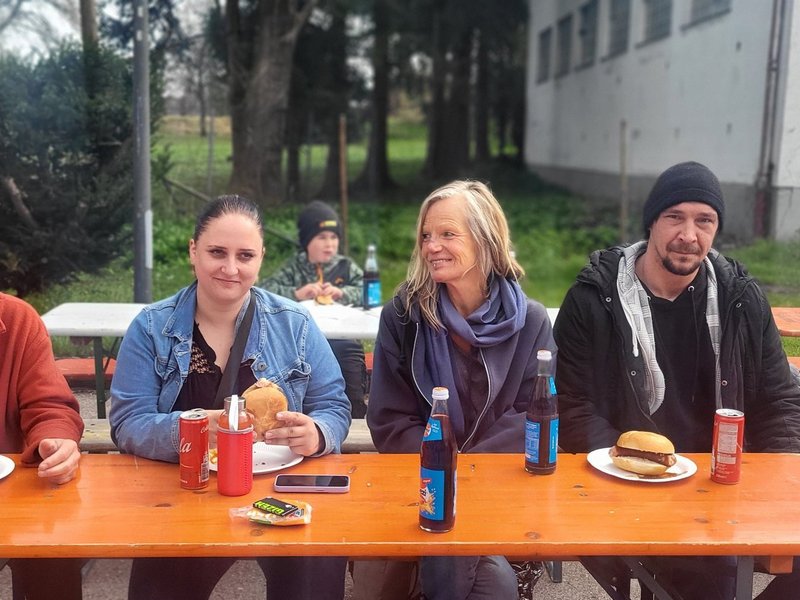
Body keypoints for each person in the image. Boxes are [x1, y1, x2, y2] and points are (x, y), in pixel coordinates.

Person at [553, 161, 800, 600]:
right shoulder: (594, 299)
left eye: (704, 220)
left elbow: (779, 398)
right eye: (675, 217)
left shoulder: (741, 298)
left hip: (725, 483)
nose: (689, 234)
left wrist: (780, 482)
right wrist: (634, 471)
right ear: (651, 222)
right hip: (628, 487)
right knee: (710, 575)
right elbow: (571, 406)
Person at [108, 195, 352, 600]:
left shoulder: (295, 324)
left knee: (315, 566)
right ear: (193, 251)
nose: (231, 268)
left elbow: (334, 404)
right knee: (161, 583)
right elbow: (127, 424)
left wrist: (318, 433)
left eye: (245, 256)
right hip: (188, 491)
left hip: (281, 488)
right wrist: (192, 430)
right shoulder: (151, 328)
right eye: (217, 252)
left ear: (261, 258)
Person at [363, 180, 556, 600]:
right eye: (426, 235)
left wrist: (466, 474)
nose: (432, 246)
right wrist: (444, 473)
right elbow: (389, 420)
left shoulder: (532, 321)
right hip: (422, 484)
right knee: (494, 585)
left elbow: (533, 417)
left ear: (485, 240)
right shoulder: (405, 316)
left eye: (448, 234)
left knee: (472, 572)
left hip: (499, 486)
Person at [0, 292, 84, 600]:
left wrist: (56, 439)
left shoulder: (15, 319)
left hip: (8, 498)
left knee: (55, 547)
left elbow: (49, 405)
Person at [262, 200, 368, 418]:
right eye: (321, 237)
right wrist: (297, 293)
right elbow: (265, 290)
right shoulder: (294, 267)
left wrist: (342, 293)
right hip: (301, 344)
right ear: (307, 241)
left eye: (334, 237)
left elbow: (369, 292)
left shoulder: (345, 266)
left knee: (351, 382)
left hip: (344, 341)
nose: (329, 244)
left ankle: (355, 413)